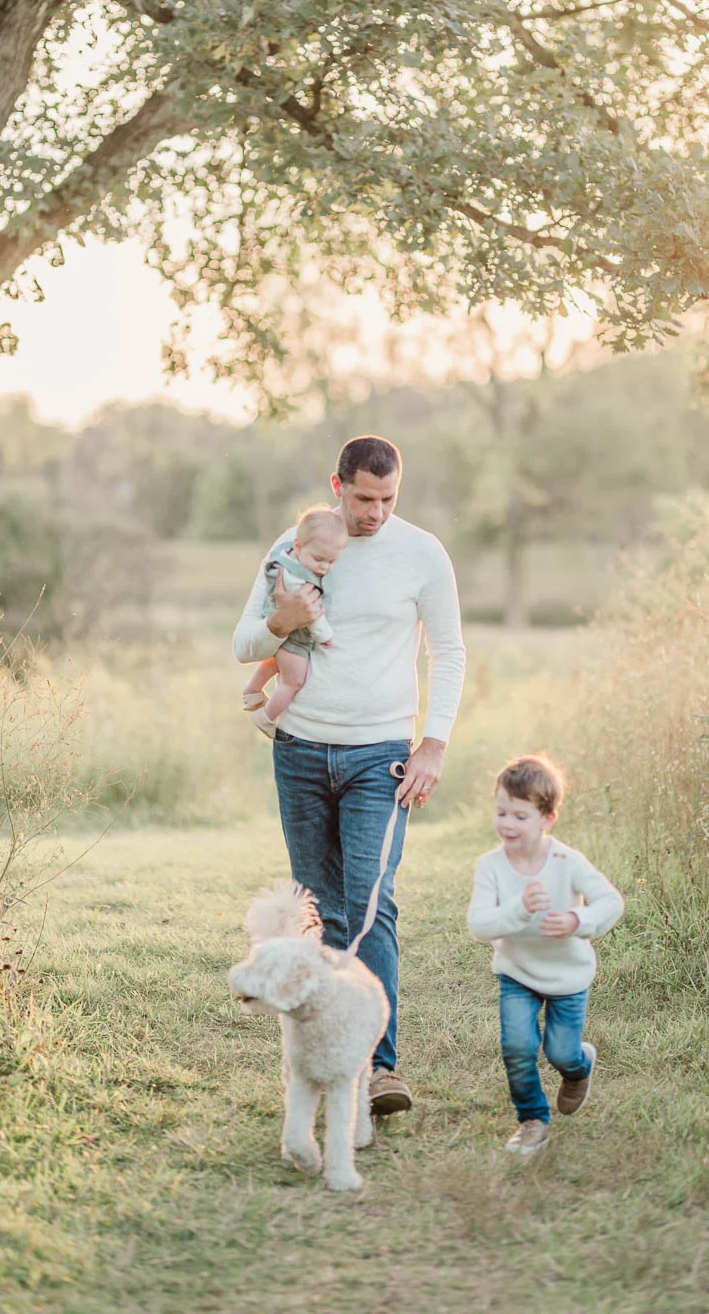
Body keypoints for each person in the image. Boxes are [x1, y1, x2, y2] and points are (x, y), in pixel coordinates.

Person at [232, 435, 465, 1115]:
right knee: (321, 910)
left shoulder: (422, 554)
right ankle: (325, 1064)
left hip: (380, 755)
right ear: (337, 486)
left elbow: (448, 650)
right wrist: (285, 618)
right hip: (300, 752)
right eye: (365, 498)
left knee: (371, 905)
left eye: (389, 499)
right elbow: (245, 641)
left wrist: (434, 745)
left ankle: (379, 1066)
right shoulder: (295, 543)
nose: (377, 513)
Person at [467, 753, 624, 1155]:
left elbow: (610, 901)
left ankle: (579, 1067)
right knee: (518, 1046)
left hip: (567, 978)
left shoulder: (565, 861)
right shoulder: (491, 867)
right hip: (517, 973)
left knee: (560, 1052)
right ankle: (532, 1120)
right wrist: (520, 908)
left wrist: (577, 919)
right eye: (502, 812)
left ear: (547, 819)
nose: (507, 824)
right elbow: (479, 925)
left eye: (520, 816)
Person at [242, 506, 348, 726]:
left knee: (275, 663)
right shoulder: (299, 578)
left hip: (283, 635)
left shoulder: (286, 557)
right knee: (293, 681)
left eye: (331, 562)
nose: (325, 567)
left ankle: (252, 690)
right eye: (319, 559)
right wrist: (325, 636)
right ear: (298, 545)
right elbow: (312, 614)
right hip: (296, 636)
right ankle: (267, 718)